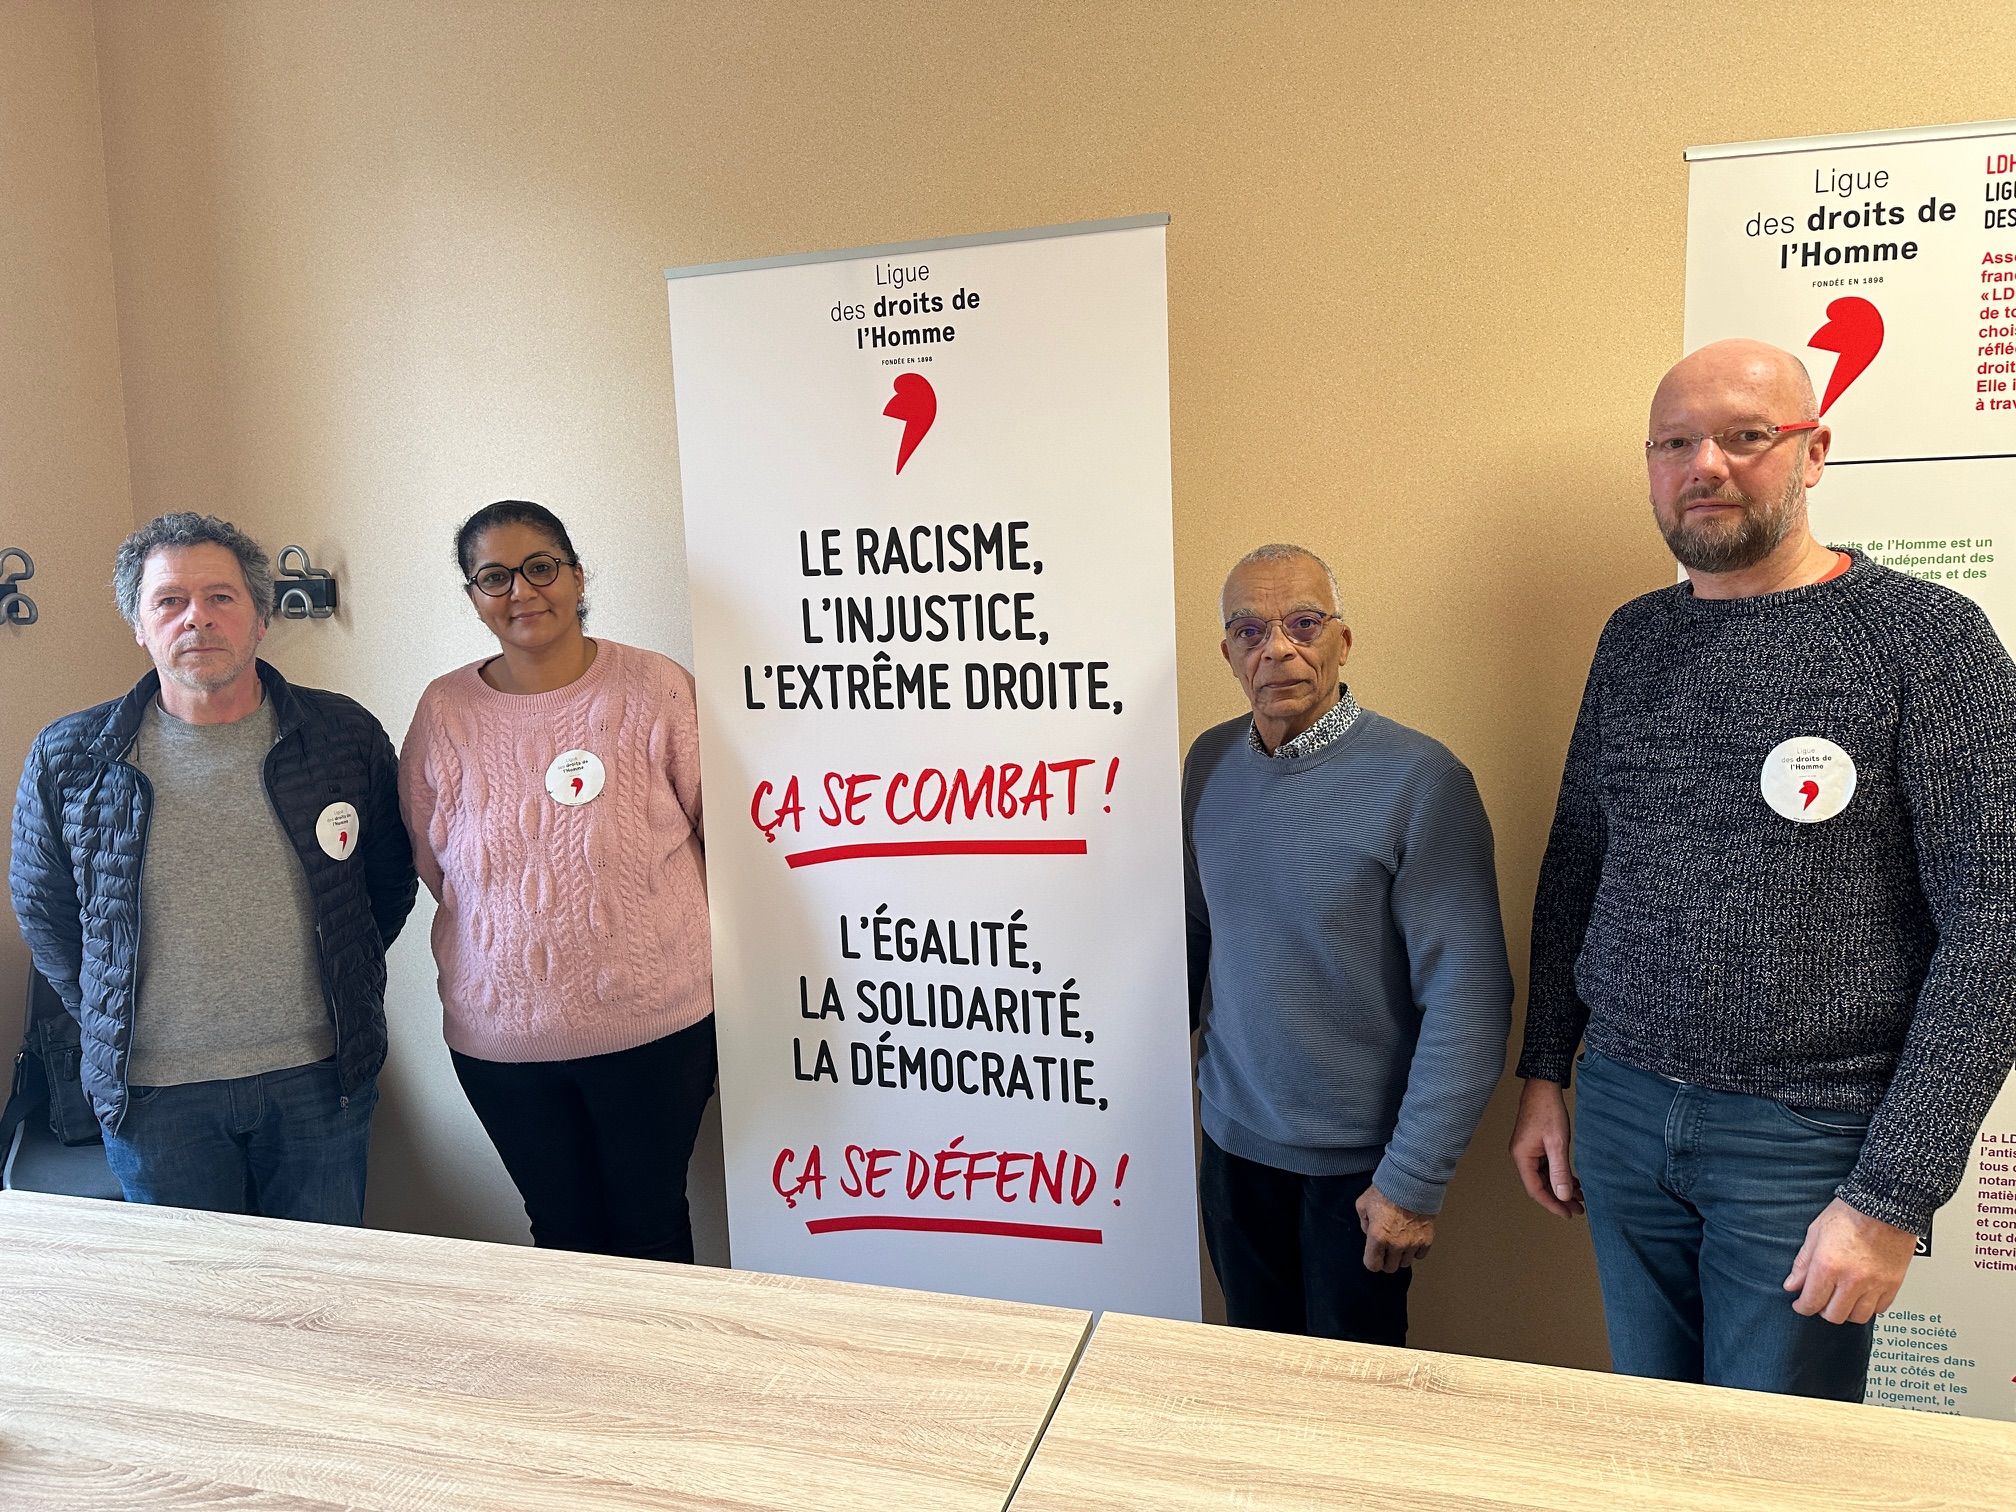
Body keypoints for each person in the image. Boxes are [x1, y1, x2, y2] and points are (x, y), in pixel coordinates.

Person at [1511, 339, 2016, 1401]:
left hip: (1805, 1140)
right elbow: (1580, 860)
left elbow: (1996, 924)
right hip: (1621, 1111)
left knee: (1771, 1464)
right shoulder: (1633, 639)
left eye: (1745, 436)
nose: (1706, 466)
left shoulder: (1929, 643)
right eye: (1675, 443)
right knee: (1652, 1433)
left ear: (1813, 451)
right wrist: (1545, 1071)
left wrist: (1891, 1197)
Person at [9, 512, 416, 1222]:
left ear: (260, 617)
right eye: (169, 600)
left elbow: (384, 882)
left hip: (320, 1080)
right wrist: (112, 1016)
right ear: (140, 626)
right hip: (153, 1096)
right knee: (191, 1291)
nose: (195, 617)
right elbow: (47, 916)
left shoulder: (342, 734)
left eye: (220, 597)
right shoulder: (69, 757)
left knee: (319, 1281)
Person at [1184, 543, 1513, 1344]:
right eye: (1250, 631)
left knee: (1350, 1396)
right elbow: (1197, 934)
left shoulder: (1422, 780)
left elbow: (1470, 996)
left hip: (1361, 1173)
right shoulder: (1209, 764)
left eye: (1303, 624)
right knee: (1251, 1371)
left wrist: (1413, 1179)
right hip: (1232, 1149)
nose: (1277, 650)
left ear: (1343, 639)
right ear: (1228, 654)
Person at [400, 500, 716, 1263]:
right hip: (501, 1042)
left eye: (540, 567)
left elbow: (722, 832)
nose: (521, 591)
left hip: (655, 1030)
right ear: (474, 596)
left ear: (576, 576)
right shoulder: (444, 709)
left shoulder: (657, 687)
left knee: (651, 1227)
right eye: (494, 577)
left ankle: (662, 1352)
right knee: (561, 1237)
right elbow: (433, 861)